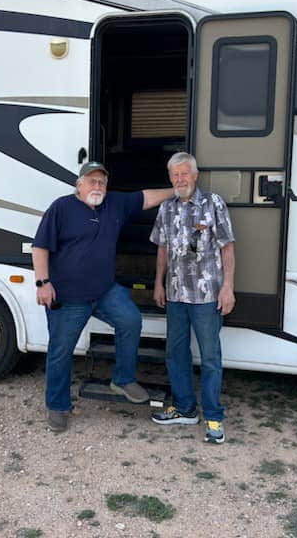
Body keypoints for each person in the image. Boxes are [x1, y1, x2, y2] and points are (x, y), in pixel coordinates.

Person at [32, 161, 173, 433]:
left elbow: (146, 197)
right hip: (68, 297)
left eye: (101, 182)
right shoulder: (61, 208)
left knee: (130, 320)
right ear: (79, 184)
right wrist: (42, 283)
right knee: (60, 352)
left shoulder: (115, 204)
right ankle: (58, 406)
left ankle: (122, 379)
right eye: (91, 181)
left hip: (104, 291)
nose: (97, 186)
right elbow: (40, 248)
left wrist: (176, 189)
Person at [149, 152, 235, 444]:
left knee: (210, 358)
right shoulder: (166, 208)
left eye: (184, 173)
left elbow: (227, 248)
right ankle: (185, 408)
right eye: (174, 175)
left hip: (207, 296)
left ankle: (213, 416)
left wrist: (228, 288)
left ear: (195, 175)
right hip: (175, 294)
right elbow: (161, 248)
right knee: (176, 353)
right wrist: (158, 283)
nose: (179, 179)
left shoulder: (213, 204)